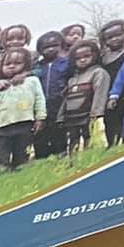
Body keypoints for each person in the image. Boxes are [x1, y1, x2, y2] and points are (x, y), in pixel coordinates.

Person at [0, 47, 45, 171]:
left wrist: (40, 118)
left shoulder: (32, 81)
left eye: (17, 63)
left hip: (25, 125)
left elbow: (39, 100)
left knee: (22, 157)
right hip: (1, 128)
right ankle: (0, 176)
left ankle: (22, 175)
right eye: (7, 64)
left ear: (26, 65)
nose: (12, 66)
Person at [58, 40, 114, 153]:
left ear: (95, 55)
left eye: (86, 56)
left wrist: (96, 114)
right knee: (73, 143)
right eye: (78, 58)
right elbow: (66, 99)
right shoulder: (72, 79)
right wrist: (60, 116)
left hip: (89, 116)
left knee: (90, 142)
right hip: (72, 118)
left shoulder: (99, 73)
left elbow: (100, 94)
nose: (82, 60)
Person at [31, 30, 71, 158]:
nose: (50, 49)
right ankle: (41, 158)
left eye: (54, 45)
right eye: (46, 47)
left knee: (58, 131)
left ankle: (60, 155)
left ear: (62, 46)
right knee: (40, 134)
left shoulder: (67, 63)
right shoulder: (36, 67)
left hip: (59, 103)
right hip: (40, 105)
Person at [95, 19, 124, 145]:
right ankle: (112, 145)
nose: (114, 39)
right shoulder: (102, 57)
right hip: (107, 95)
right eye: (109, 37)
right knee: (110, 122)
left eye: (118, 35)